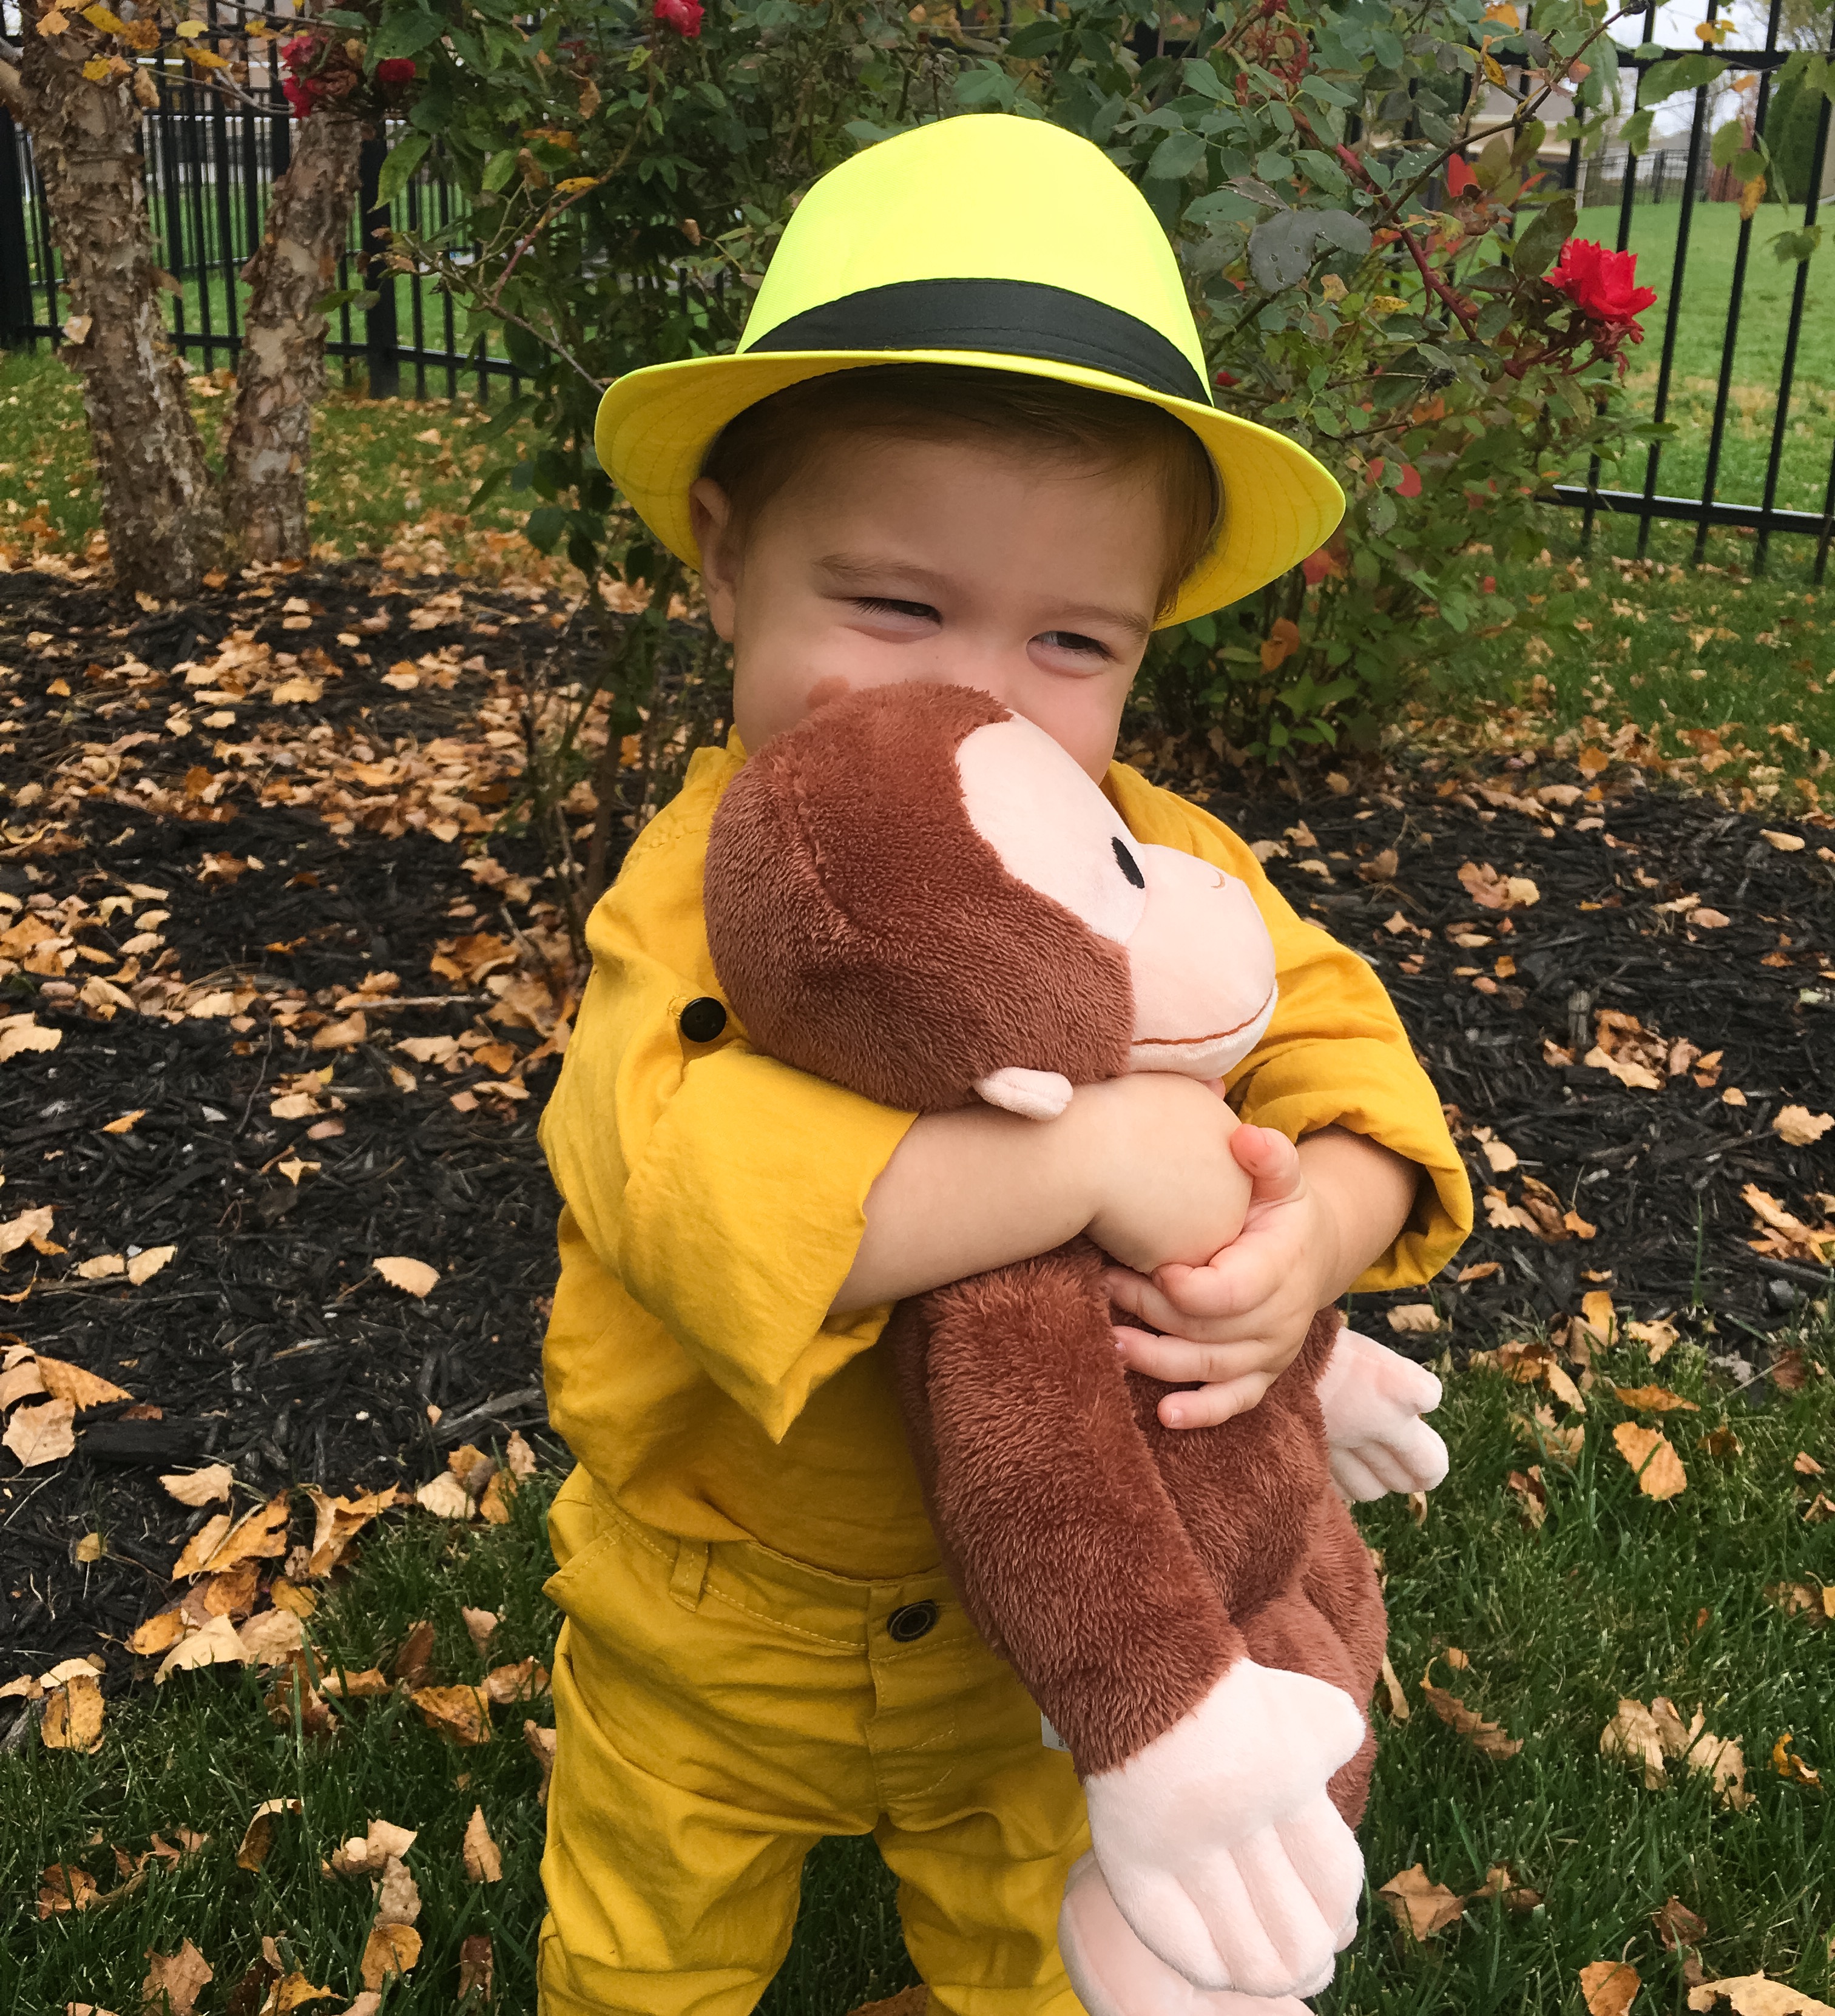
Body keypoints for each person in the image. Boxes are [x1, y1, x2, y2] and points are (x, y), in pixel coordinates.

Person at [534, 113, 1472, 2016]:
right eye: (896, 604)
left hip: (1029, 1631)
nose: (980, 692)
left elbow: (1344, 1041)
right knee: (648, 1945)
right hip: (710, 1618)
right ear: (727, 557)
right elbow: (682, 1178)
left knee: (1032, 1945)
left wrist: (1316, 1243)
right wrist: (1087, 1161)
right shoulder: (694, 900)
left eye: (1068, 636)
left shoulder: (1161, 863)